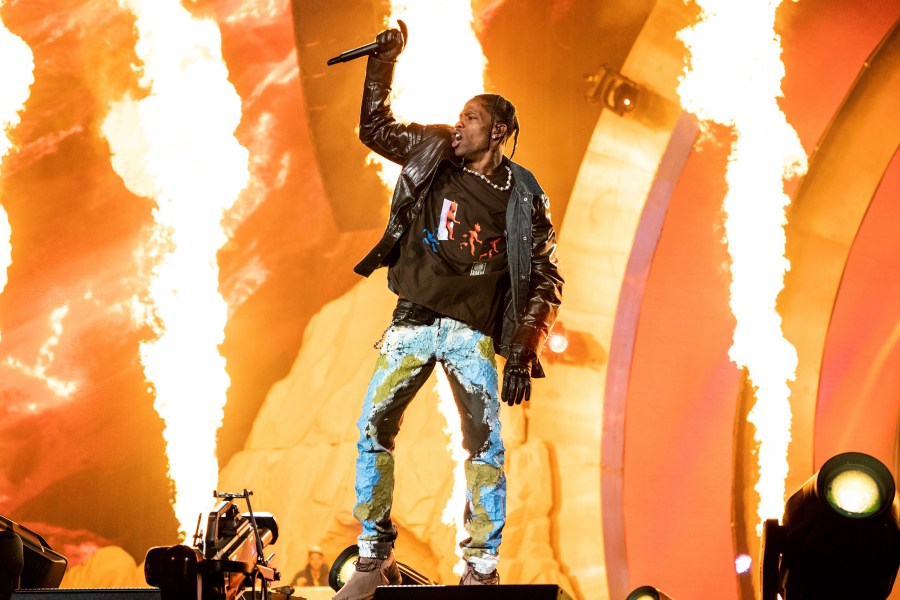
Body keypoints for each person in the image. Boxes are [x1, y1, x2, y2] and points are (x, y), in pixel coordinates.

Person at [334, 23, 563, 600]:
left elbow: (546, 275)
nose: (458, 125)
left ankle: (480, 568)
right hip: (411, 320)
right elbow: (375, 129)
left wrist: (524, 347)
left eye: (471, 119)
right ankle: (373, 553)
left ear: (498, 132)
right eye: (459, 117)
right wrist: (381, 65)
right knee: (373, 427)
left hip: (468, 333)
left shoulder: (524, 195)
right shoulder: (434, 149)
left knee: (484, 445)